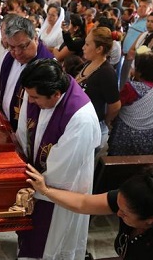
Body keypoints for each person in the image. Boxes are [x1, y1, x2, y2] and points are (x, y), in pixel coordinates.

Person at [26, 163, 153, 260]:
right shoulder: (130, 198)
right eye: (118, 206)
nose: (117, 213)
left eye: (124, 213)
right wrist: (45, 190)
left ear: (150, 219)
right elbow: (83, 203)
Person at [15, 58, 101, 259]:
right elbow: (22, 133)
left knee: (52, 244)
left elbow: (60, 176)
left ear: (56, 94)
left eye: (35, 98)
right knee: (32, 241)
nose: (31, 102)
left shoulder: (81, 118)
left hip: (61, 191)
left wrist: (30, 186)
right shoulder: (41, 91)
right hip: (37, 178)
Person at [0, 16, 53, 131]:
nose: (17, 53)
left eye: (23, 46)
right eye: (12, 47)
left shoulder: (48, 68)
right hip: (7, 125)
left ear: (35, 38)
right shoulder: (9, 57)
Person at [108, 52, 153, 155]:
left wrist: (108, 120)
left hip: (126, 135)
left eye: (135, 67)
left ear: (140, 72)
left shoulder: (131, 88)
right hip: (149, 136)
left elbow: (116, 106)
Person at [76, 27, 121, 151]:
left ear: (99, 49)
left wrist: (104, 121)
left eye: (87, 44)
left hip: (91, 129)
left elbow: (115, 106)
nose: (83, 47)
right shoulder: (88, 63)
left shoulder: (106, 72)